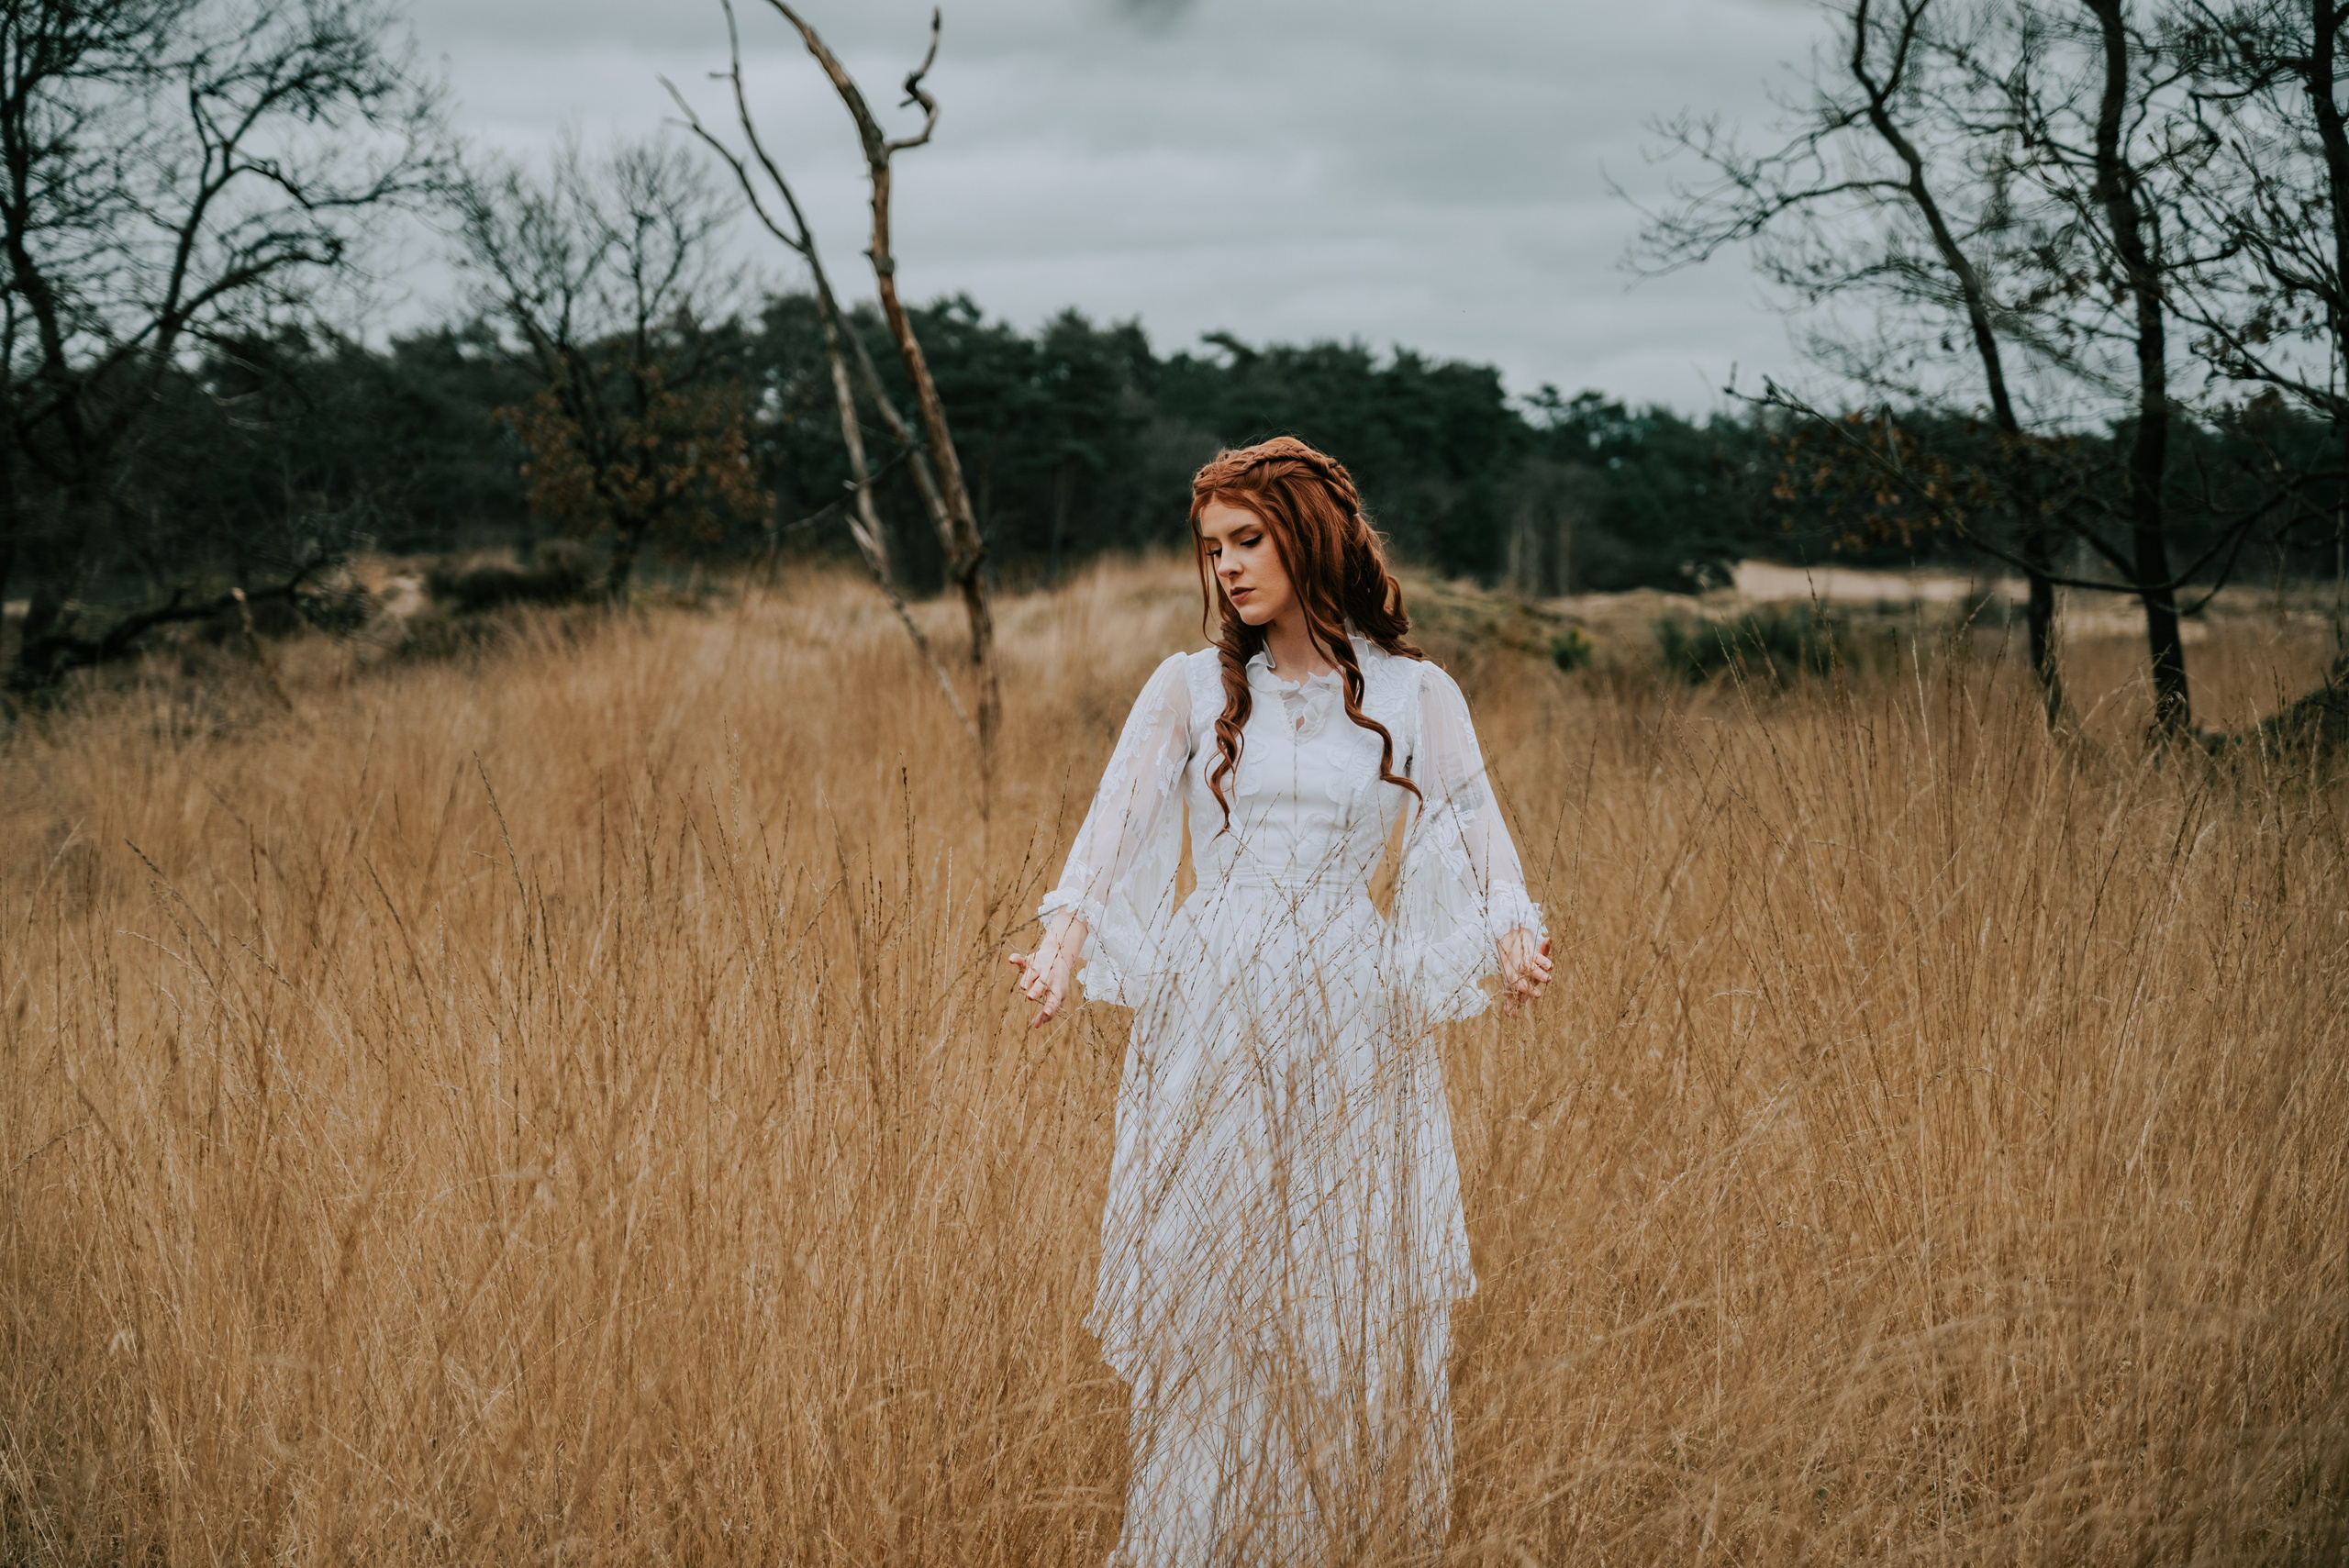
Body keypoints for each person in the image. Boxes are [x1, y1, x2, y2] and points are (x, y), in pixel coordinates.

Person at [1008, 437, 1553, 1563]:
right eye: (1214, 549)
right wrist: (1062, 945)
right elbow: (1109, 827)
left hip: (1352, 1011)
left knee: (1342, 1286)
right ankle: (1194, 1534)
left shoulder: (1415, 691)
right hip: (1211, 1008)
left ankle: (1327, 1532)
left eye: (1248, 540)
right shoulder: (1189, 687)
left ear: (1308, 534)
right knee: (1215, 1289)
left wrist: (1511, 933)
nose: (1229, 569)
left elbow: (1474, 826)